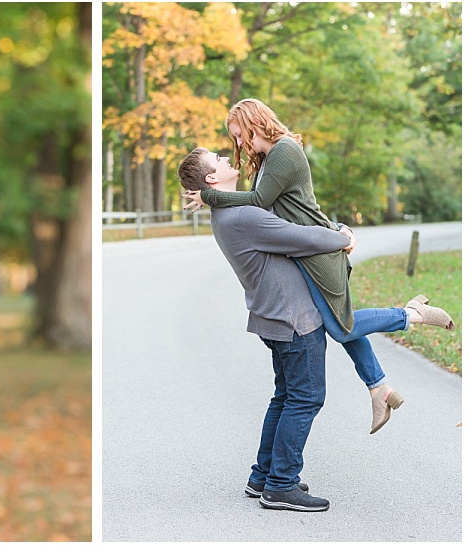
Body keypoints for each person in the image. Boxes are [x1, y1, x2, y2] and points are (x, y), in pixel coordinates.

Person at [183, 98, 454, 434]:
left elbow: (259, 203)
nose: (237, 143)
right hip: (308, 250)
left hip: (317, 252)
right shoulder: (268, 159)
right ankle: (378, 389)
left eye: (238, 134)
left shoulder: (284, 150)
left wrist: (209, 196)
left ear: (254, 122)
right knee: (340, 321)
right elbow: (284, 207)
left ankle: (411, 315)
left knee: (341, 325)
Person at [177, 147, 360, 512]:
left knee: (285, 396)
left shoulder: (228, 213)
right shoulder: (242, 215)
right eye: (221, 160)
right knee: (306, 398)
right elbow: (301, 237)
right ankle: (281, 485)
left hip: (274, 315)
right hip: (293, 320)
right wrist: (342, 235)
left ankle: (263, 475)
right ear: (213, 179)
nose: (230, 160)